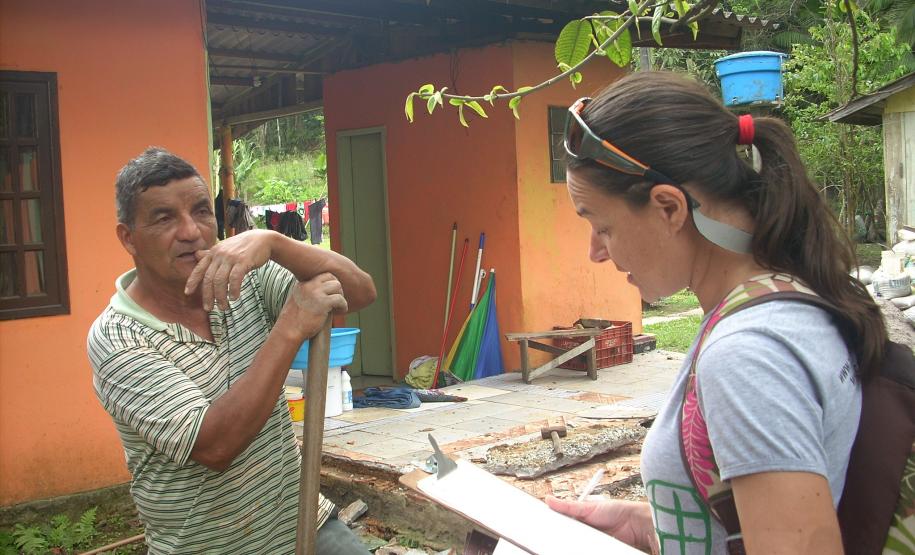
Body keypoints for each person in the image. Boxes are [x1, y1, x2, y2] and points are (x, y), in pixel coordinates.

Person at [545, 71, 886, 554]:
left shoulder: (748, 355)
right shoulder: (787, 293)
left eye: (602, 227)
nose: (595, 253)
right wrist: (654, 530)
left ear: (668, 208)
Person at [88, 147, 377, 554]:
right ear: (128, 238)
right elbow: (215, 446)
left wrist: (275, 243)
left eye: (201, 211)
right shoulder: (118, 338)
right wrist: (291, 327)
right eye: (164, 218)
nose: (191, 231)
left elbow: (360, 292)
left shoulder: (243, 278)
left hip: (302, 527)